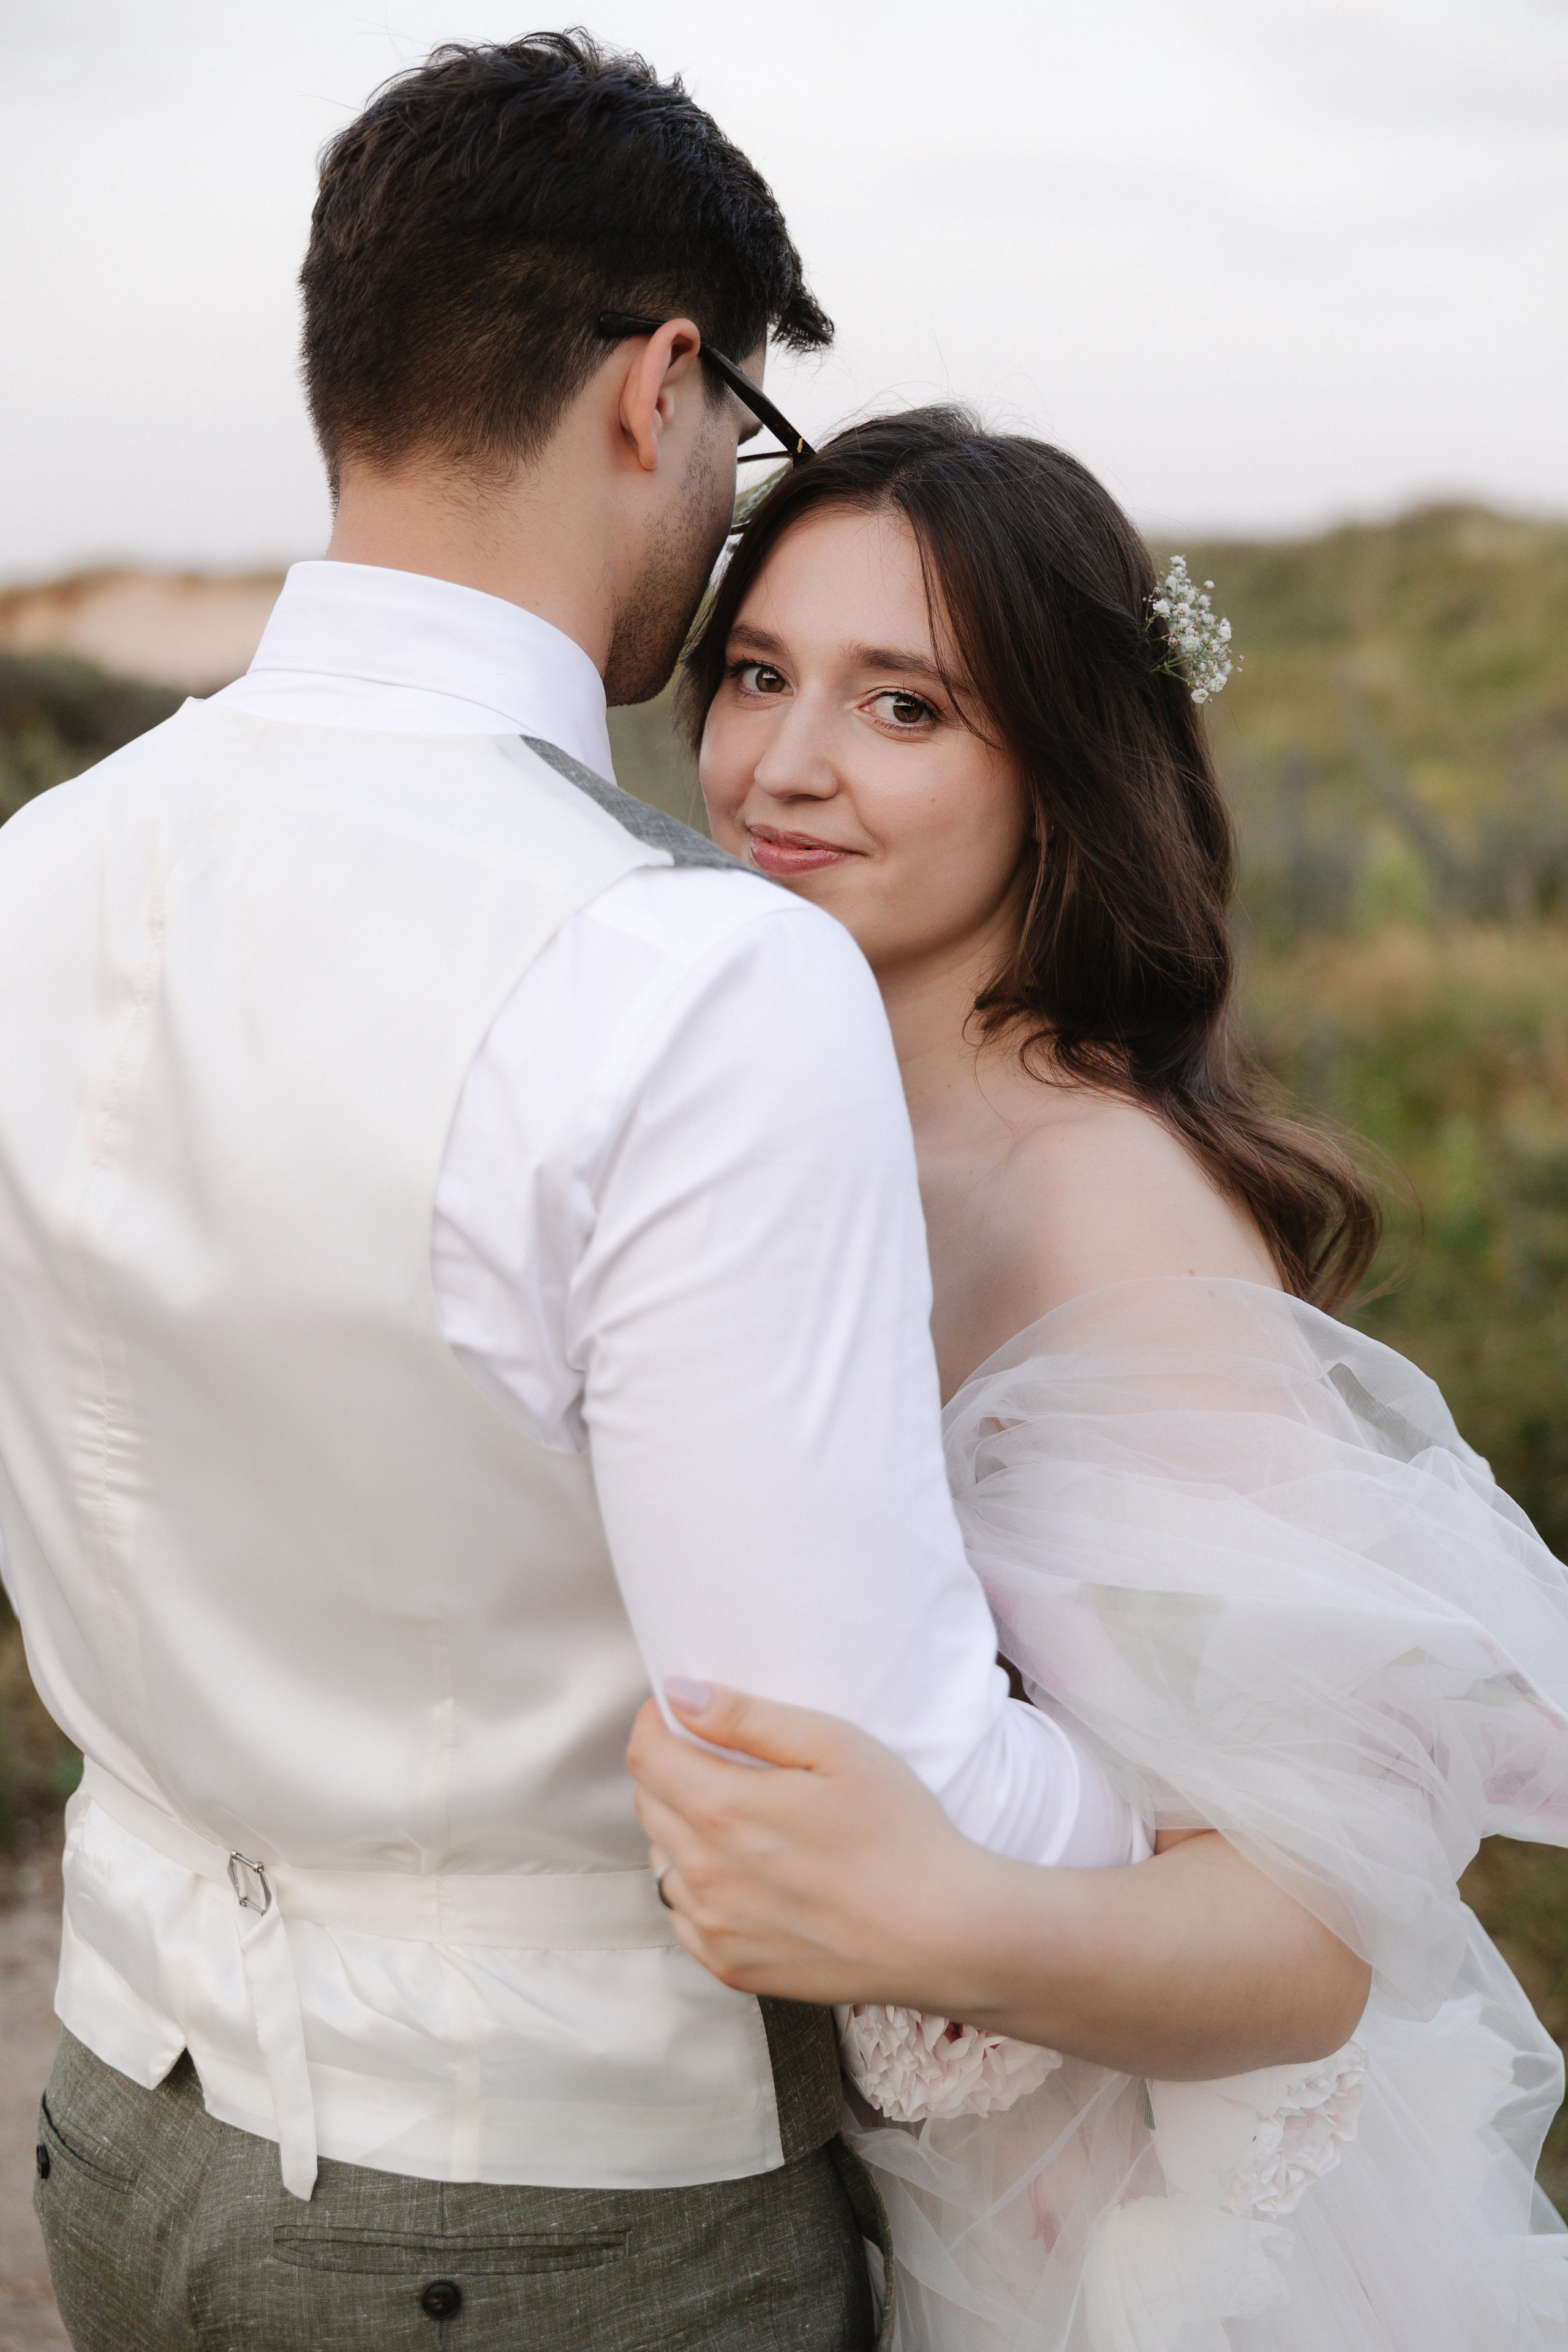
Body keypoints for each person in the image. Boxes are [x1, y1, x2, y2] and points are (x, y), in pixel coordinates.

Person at [0, 39, 1349, 2352]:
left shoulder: (42, 869)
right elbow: (854, 1775)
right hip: (541, 2195)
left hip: (126, 2105)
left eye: (906, 703)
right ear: (659, 387)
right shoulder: (675, 977)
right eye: (737, 444)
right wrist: (1220, 1872)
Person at [627, 409, 1568, 2349]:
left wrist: (911, 1918)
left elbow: (1305, 1937)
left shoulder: (1097, 1210)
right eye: (758, 675)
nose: (785, 768)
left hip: (1118, 2249)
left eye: (904, 709)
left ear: (1057, 767)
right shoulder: (787, 1113)